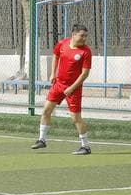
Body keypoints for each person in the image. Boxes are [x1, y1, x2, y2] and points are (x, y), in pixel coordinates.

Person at [31, 23, 93, 155]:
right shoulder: (62, 44)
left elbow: (85, 74)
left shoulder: (86, 51)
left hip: (74, 88)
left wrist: (71, 88)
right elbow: (56, 56)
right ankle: (42, 140)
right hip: (58, 85)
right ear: (73, 34)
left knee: (75, 118)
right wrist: (53, 73)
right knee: (46, 111)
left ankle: (86, 146)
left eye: (86, 36)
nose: (84, 38)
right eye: (82, 35)